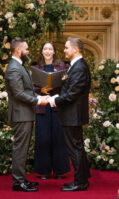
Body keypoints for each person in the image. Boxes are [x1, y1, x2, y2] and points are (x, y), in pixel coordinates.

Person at [4, 37, 48, 192]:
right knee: (20, 148)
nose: (28, 52)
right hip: (20, 114)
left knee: (22, 148)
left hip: (25, 114)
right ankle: (18, 183)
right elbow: (18, 93)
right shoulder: (14, 68)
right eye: (27, 49)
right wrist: (38, 101)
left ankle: (21, 179)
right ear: (18, 50)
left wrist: (39, 97)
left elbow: (26, 91)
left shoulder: (19, 66)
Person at [49, 36, 91, 191]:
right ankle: (83, 178)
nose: (64, 50)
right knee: (77, 146)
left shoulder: (79, 67)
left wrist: (55, 100)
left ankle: (80, 183)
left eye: (67, 47)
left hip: (73, 114)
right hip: (71, 113)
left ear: (76, 49)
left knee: (74, 147)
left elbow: (72, 93)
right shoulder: (75, 65)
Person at [31, 42, 70, 180]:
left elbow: (67, 85)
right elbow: (31, 88)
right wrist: (41, 90)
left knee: (58, 137)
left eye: (50, 49)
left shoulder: (62, 67)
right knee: (43, 137)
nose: (47, 51)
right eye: (45, 49)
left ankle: (60, 171)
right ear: (42, 52)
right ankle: (44, 170)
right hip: (42, 105)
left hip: (57, 105)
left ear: (54, 52)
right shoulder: (36, 68)